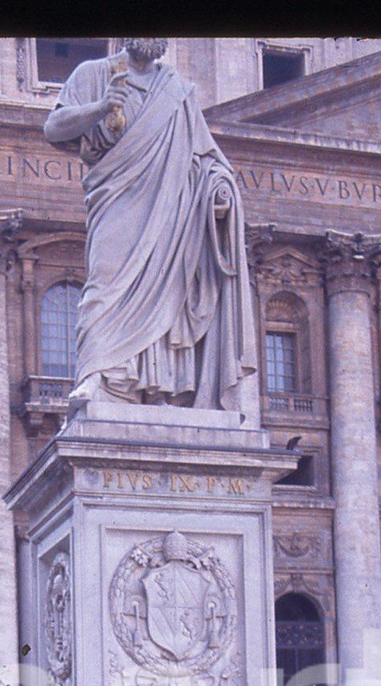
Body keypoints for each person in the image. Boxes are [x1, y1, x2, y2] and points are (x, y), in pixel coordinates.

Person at [44, 39, 256, 411]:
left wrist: (219, 190)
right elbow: (54, 127)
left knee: (170, 291)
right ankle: (98, 375)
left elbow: (207, 158)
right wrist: (100, 107)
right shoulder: (94, 73)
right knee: (105, 283)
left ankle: (161, 388)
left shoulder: (177, 91)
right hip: (117, 198)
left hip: (172, 210)